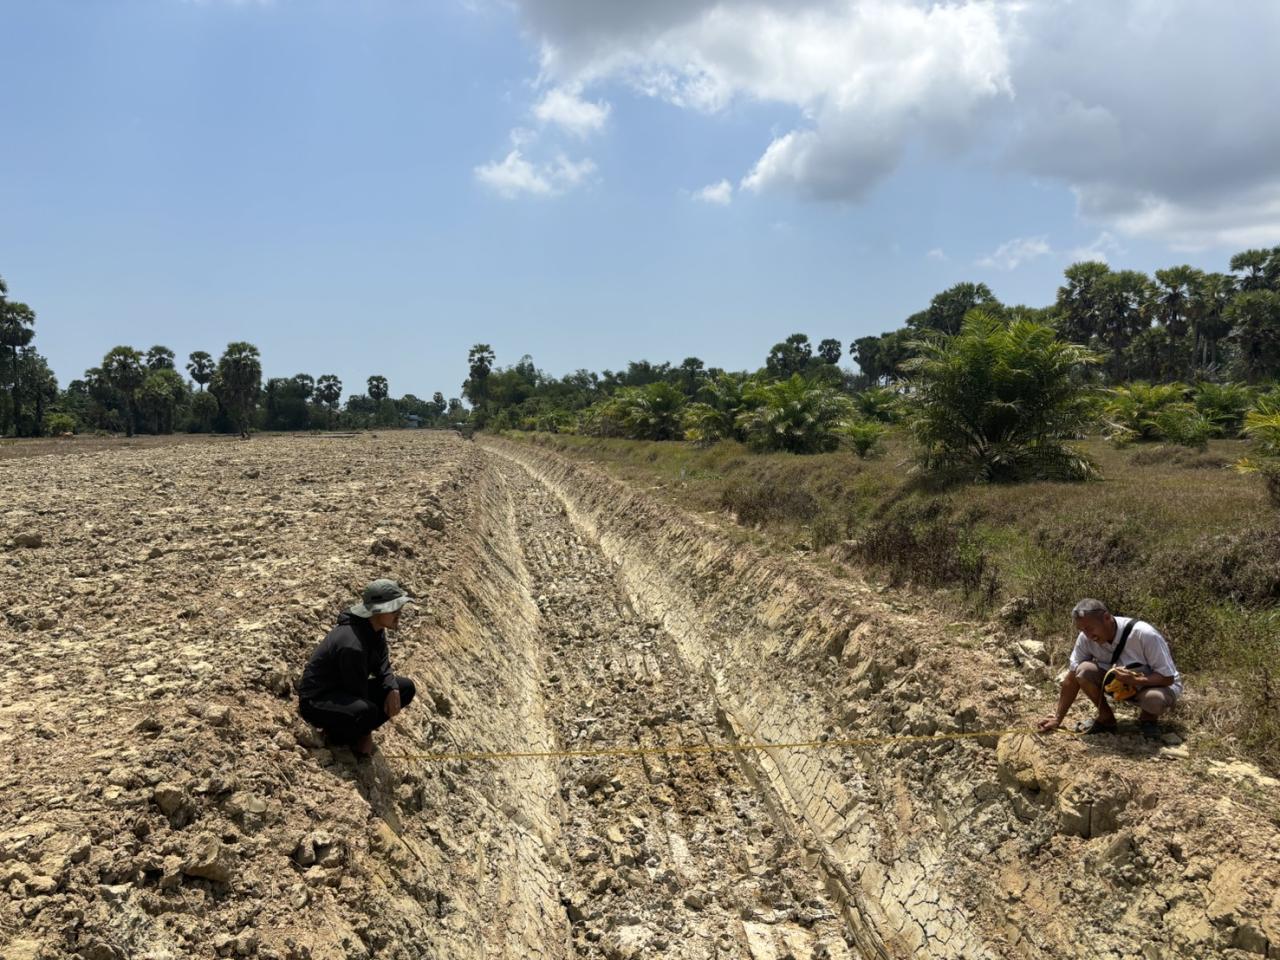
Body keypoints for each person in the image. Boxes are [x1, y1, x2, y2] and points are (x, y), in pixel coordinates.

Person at [298, 578, 417, 756]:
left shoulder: (375, 628)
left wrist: (392, 687)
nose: (399, 613)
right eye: (394, 609)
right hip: (318, 699)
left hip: (344, 689)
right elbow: (356, 689)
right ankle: (338, 738)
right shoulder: (353, 644)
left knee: (405, 688)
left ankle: (352, 730)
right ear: (378, 611)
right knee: (366, 712)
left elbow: (382, 663)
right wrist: (366, 734)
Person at [1037, 598, 1181, 739]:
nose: (1087, 635)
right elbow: (1072, 676)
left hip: (1155, 686)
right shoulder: (1085, 639)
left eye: (1089, 628)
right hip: (1120, 686)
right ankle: (1106, 719)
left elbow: (1167, 678)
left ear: (1107, 618)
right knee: (1083, 670)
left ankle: (1148, 718)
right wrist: (1057, 718)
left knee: (1154, 699)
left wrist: (1135, 680)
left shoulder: (1144, 634)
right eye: (1081, 630)